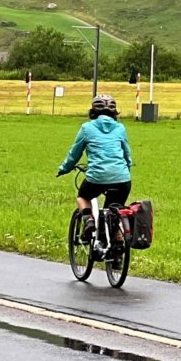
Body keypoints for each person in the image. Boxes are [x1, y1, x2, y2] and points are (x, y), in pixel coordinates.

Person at [56, 93, 133, 252]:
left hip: (96, 178)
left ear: (92, 111)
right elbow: (127, 154)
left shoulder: (87, 128)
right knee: (114, 212)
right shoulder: (120, 128)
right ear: (114, 112)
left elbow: (74, 154)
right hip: (122, 179)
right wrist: (127, 167)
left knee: (83, 196)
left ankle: (88, 220)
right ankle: (118, 248)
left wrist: (64, 169)